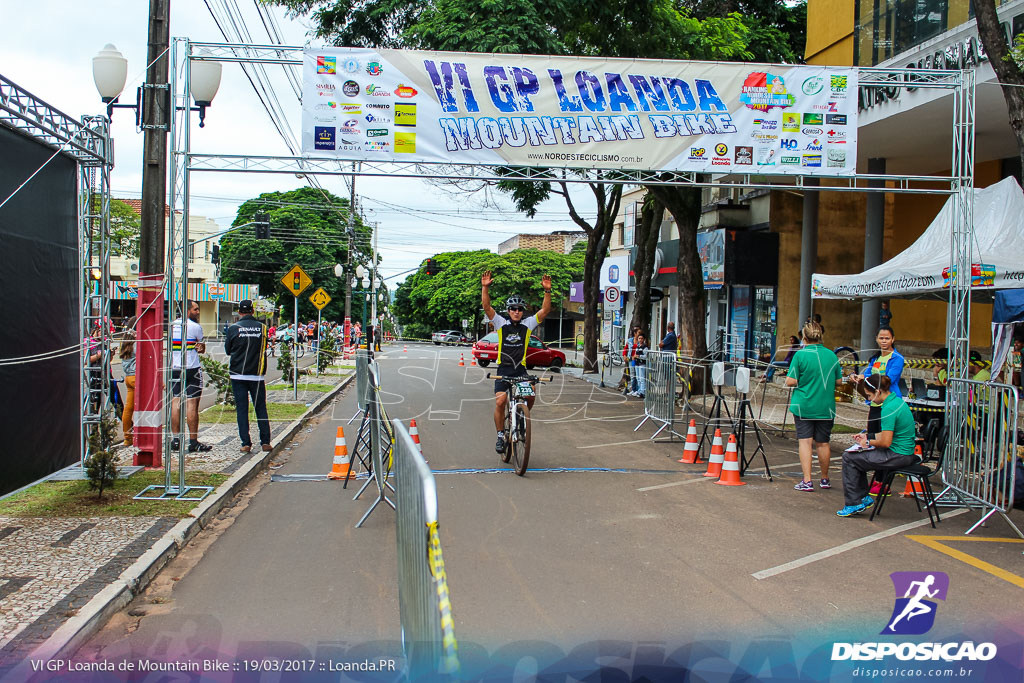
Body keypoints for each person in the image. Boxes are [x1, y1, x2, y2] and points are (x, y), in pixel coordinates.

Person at [481, 270, 552, 453]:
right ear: (508, 311)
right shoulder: (500, 324)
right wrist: (485, 287)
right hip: (503, 370)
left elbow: (545, 311)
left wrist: (547, 291)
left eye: (520, 309)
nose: (517, 312)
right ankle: (499, 435)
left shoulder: (527, 324)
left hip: (520, 371)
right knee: (500, 401)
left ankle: (521, 415)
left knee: (531, 393)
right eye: (513, 309)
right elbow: (487, 307)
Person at [836, 373, 918, 517]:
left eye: (868, 395)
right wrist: (868, 436)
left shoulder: (888, 409)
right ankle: (861, 497)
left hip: (897, 454)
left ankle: (854, 502)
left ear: (877, 392)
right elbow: (889, 435)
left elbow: (886, 442)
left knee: (849, 458)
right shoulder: (896, 402)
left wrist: (867, 442)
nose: (868, 399)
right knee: (855, 457)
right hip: (903, 451)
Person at [786, 322, 842, 492]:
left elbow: (790, 380)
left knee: (805, 441)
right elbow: (838, 381)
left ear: (804, 337)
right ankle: (825, 478)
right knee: (823, 443)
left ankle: (807, 480)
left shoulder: (800, 355)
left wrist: (804, 380)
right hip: (825, 405)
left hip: (804, 404)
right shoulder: (832, 355)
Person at [224, 300, 272, 454]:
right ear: (252, 311)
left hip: (238, 375)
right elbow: (264, 348)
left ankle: (246, 443)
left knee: (242, 410)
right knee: (261, 408)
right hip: (256, 375)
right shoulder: (263, 328)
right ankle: (265, 442)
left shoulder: (233, 328)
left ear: (239, 312)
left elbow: (228, 350)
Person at [850, 325, 905, 443]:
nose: (884, 341)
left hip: (888, 402)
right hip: (875, 403)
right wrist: (857, 377)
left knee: (885, 437)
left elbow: (889, 379)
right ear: (876, 339)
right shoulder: (875, 358)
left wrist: (865, 377)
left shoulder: (897, 358)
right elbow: (867, 373)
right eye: (881, 338)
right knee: (872, 435)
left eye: (887, 338)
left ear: (893, 339)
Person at [170, 300, 211, 453]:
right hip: (192, 368)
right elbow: (201, 348)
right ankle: (193, 441)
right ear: (187, 310)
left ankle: (175, 440)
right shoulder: (195, 327)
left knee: (175, 401)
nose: (198, 312)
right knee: (192, 405)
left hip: (175, 368)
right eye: (195, 309)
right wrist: (201, 347)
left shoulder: (172, 325)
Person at [119, 319, 137, 446]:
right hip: (137, 377)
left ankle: (127, 438)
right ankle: (141, 433)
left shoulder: (126, 341)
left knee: (128, 408)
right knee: (143, 408)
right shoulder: (138, 342)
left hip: (128, 377)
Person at [629, 332, 650, 398]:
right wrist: (634, 357)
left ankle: (642, 391)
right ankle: (639, 390)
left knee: (642, 378)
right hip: (637, 364)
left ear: (644, 339)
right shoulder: (637, 346)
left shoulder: (645, 347)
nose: (640, 340)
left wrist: (639, 356)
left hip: (642, 364)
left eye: (641, 338)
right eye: (639, 338)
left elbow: (646, 356)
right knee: (638, 378)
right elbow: (635, 353)